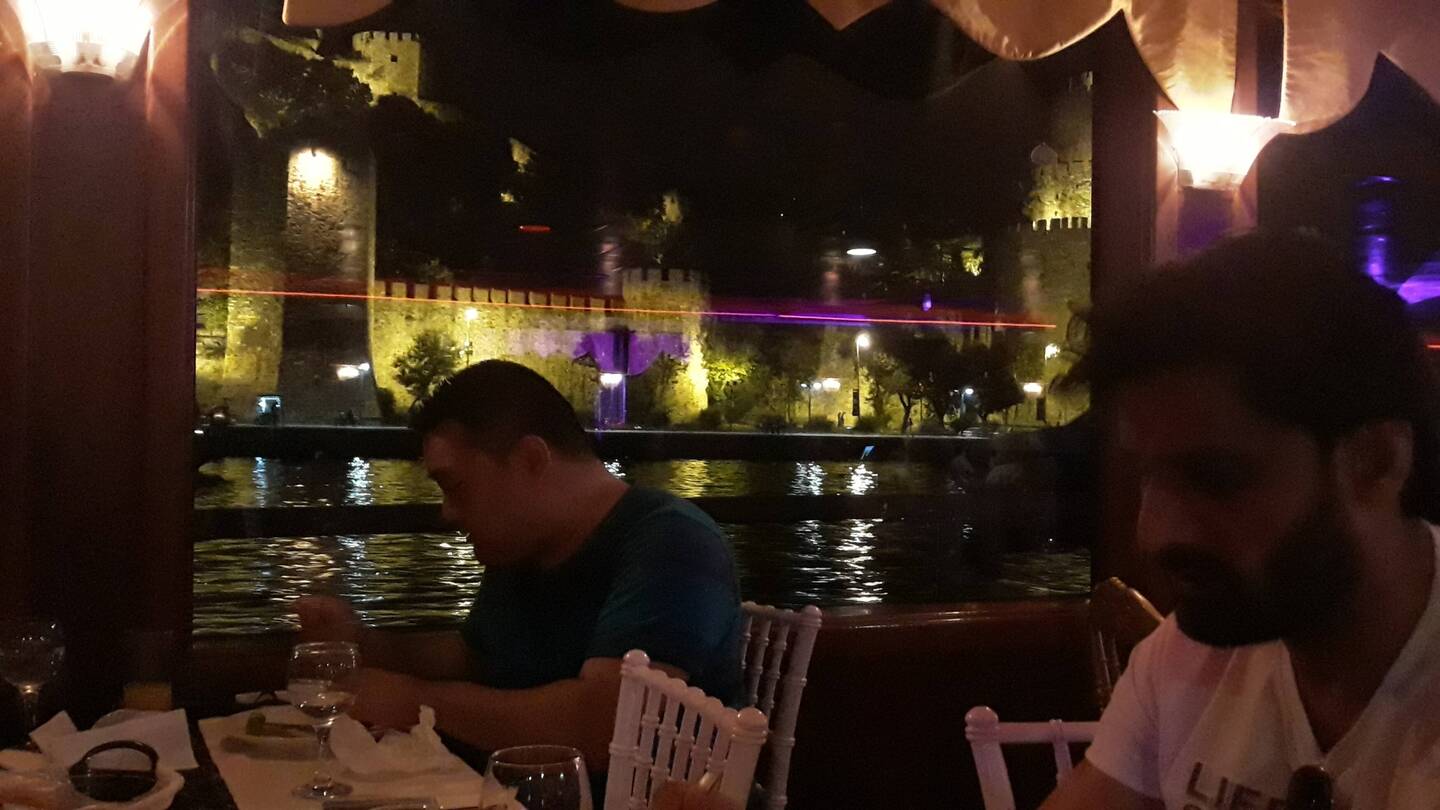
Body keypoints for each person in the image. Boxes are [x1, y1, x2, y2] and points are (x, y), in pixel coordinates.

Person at [1042, 230, 1440, 809]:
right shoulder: (1187, 654)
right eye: (1148, 476)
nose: (1156, 534)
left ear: (1376, 462)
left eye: (1217, 478)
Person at [297, 360, 743, 769]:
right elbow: (474, 658)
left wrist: (415, 704)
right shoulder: (522, 545)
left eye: (455, 486)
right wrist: (361, 644)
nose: (447, 512)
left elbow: (606, 724)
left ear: (530, 460)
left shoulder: (674, 542)